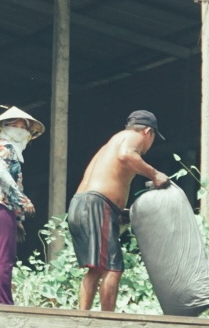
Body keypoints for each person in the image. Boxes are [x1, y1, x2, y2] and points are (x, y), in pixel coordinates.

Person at [69, 110, 169, 312]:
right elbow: (125, 155)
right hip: (97, 204)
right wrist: (155, 174)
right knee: (113, 268)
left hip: (80, 204)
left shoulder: (110, 145)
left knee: (96, 268)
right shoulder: (131, 137)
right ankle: (108, 320)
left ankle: (82, 315)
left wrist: (118, 211)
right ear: (148, 132)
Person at [0, 106, 42, 306]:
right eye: (15, 126)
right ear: (4, 128)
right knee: (6, 258)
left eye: (23, 127)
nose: (19, 130)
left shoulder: (11, 150)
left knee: (3, 255)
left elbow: (14, 183)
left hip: (1, 206)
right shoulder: (4, 146)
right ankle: (6, 304)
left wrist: (18, 219)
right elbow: (2, 173)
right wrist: (23, 200)